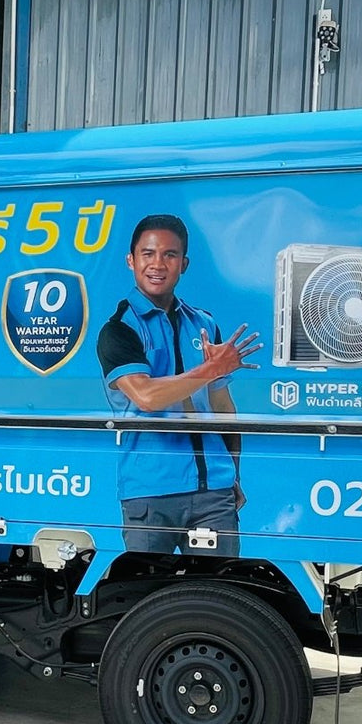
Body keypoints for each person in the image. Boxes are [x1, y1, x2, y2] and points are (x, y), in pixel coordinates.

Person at [95, 214, 260, 555]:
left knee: (217, 586)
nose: (158, 264)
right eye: (148, 253)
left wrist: (232, 473)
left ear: (184, 264)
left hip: (213, 492)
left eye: (169, 255)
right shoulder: (119, 329)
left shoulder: (204, 323)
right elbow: (146, 396)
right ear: (131, 260)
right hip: (150, 492)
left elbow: (224, 409)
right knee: (148, 584)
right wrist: (210, 369)